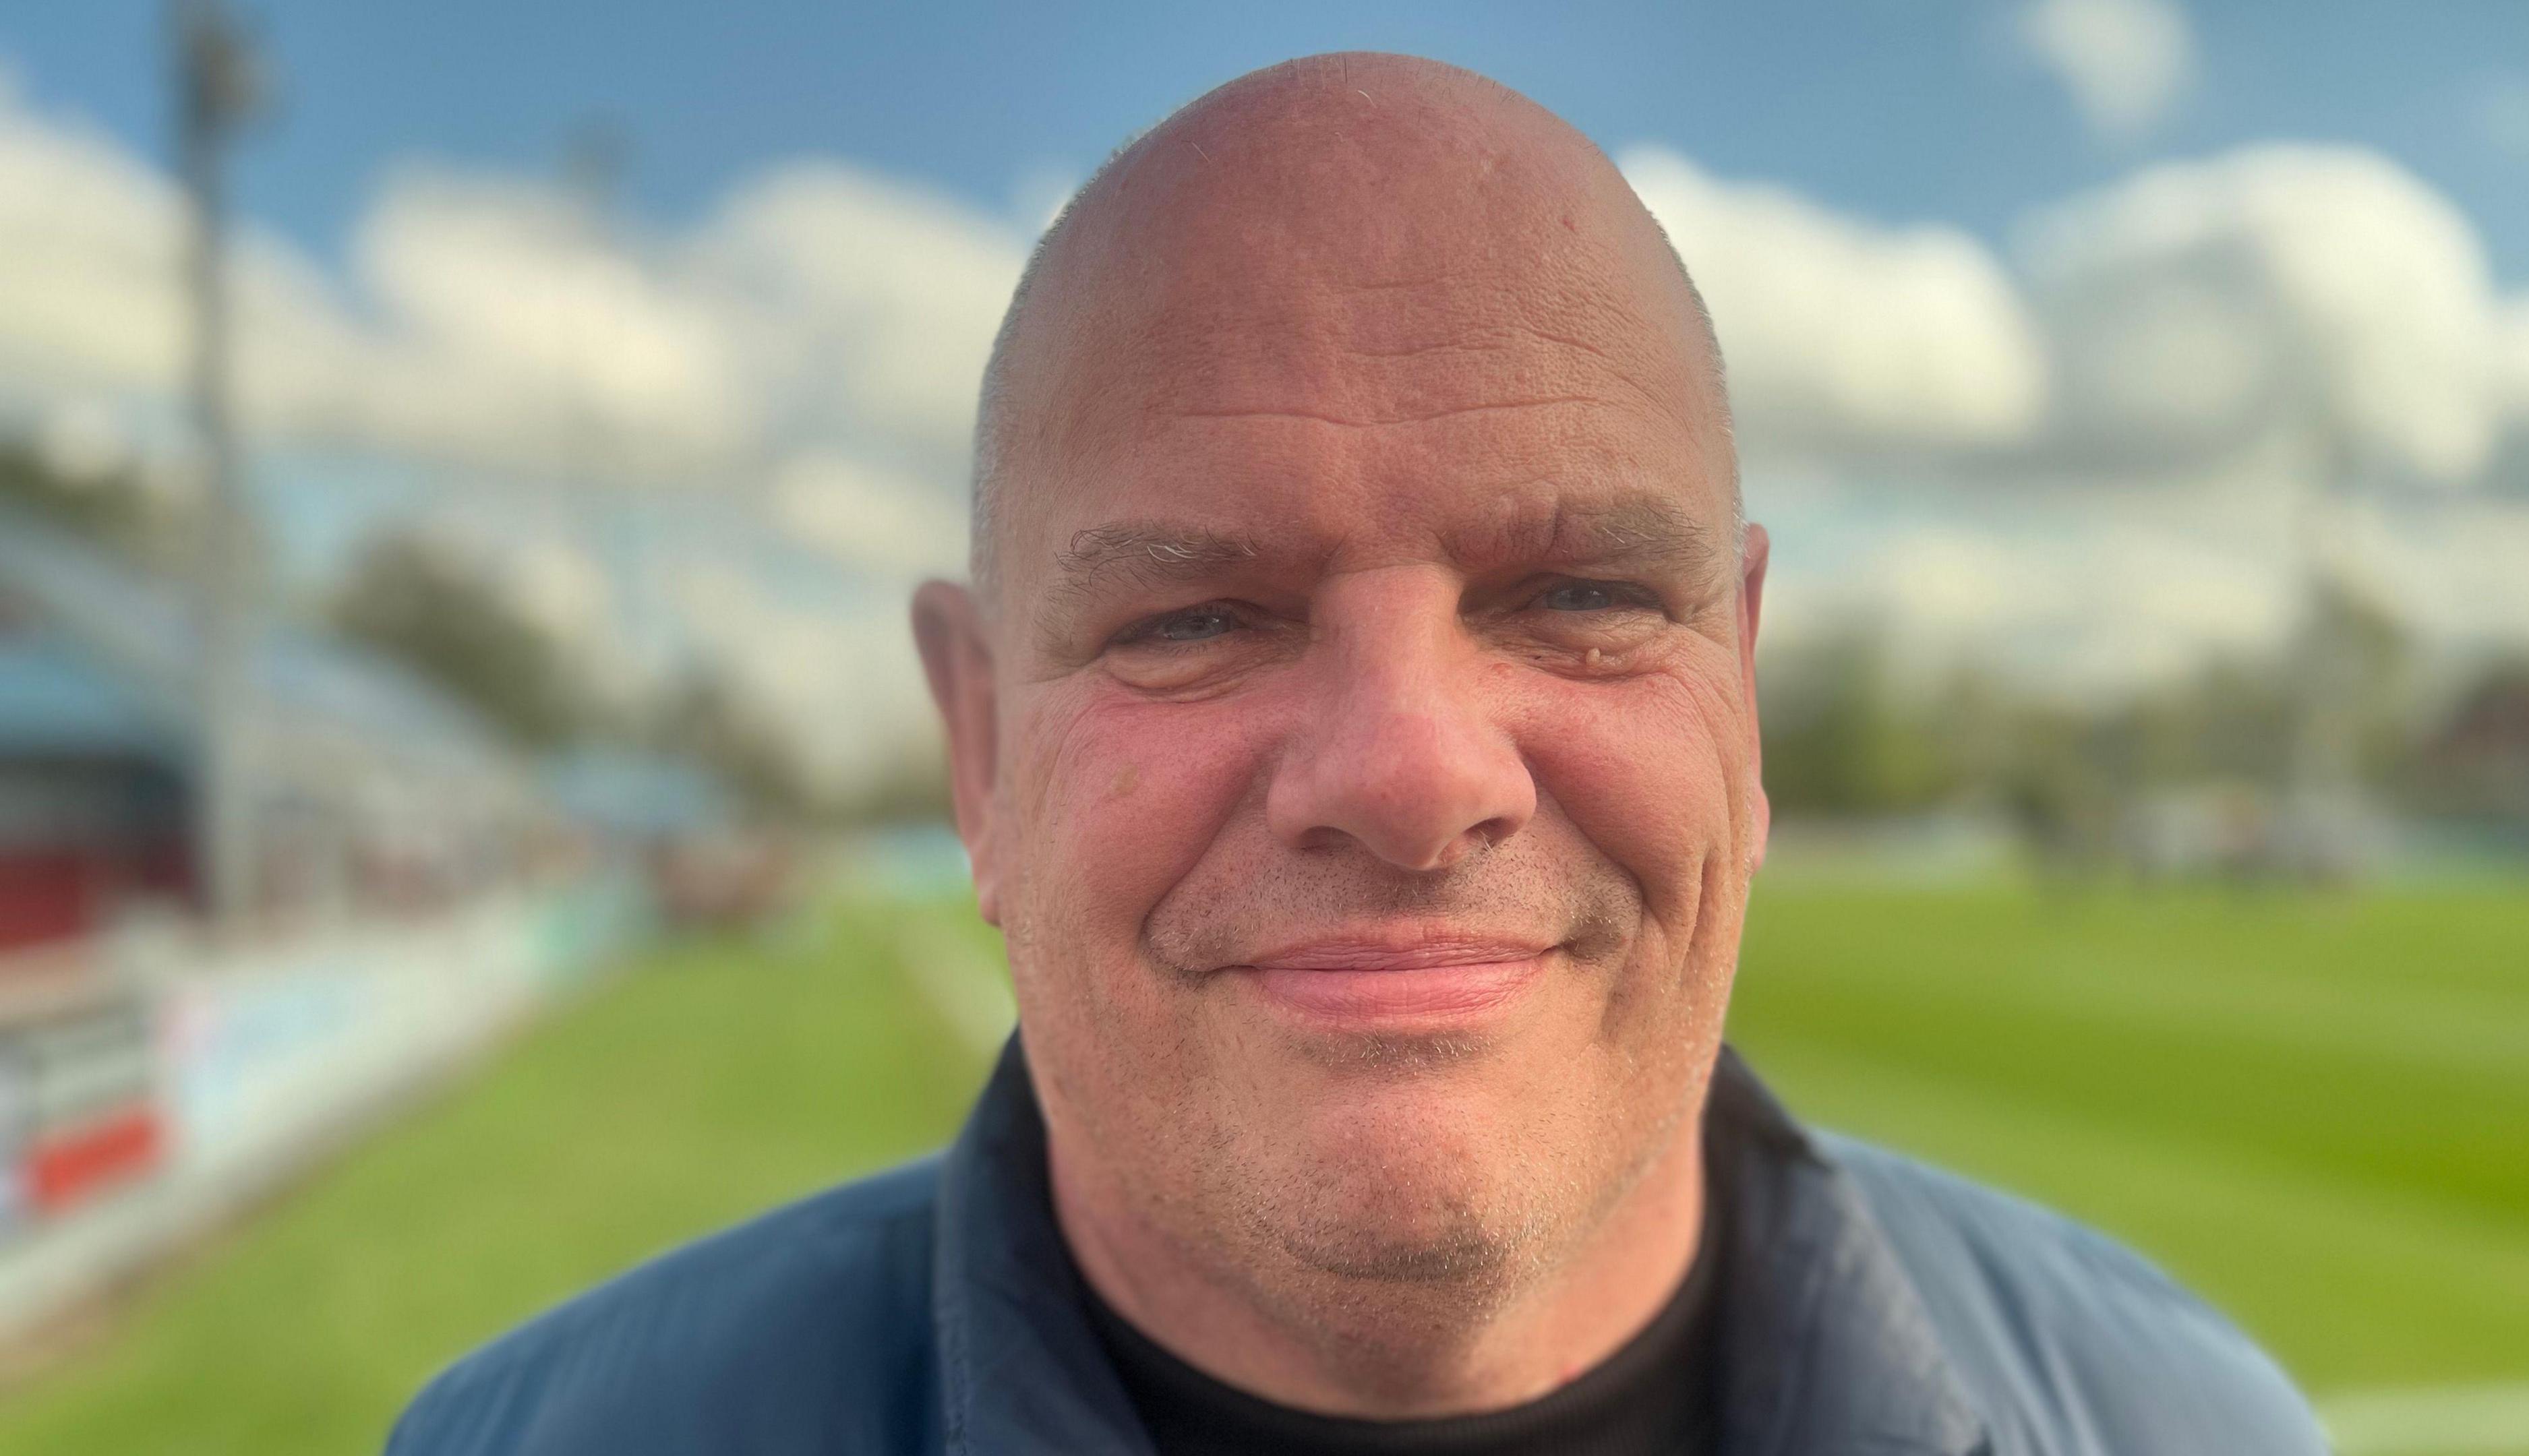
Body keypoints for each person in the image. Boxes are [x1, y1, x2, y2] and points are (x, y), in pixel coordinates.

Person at [388, 53, 2327, 1456]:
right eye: (1193, 617)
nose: (1412, 773)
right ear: (979, 753)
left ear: (1738, 696)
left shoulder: (2186, 1423)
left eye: (1578, 595)